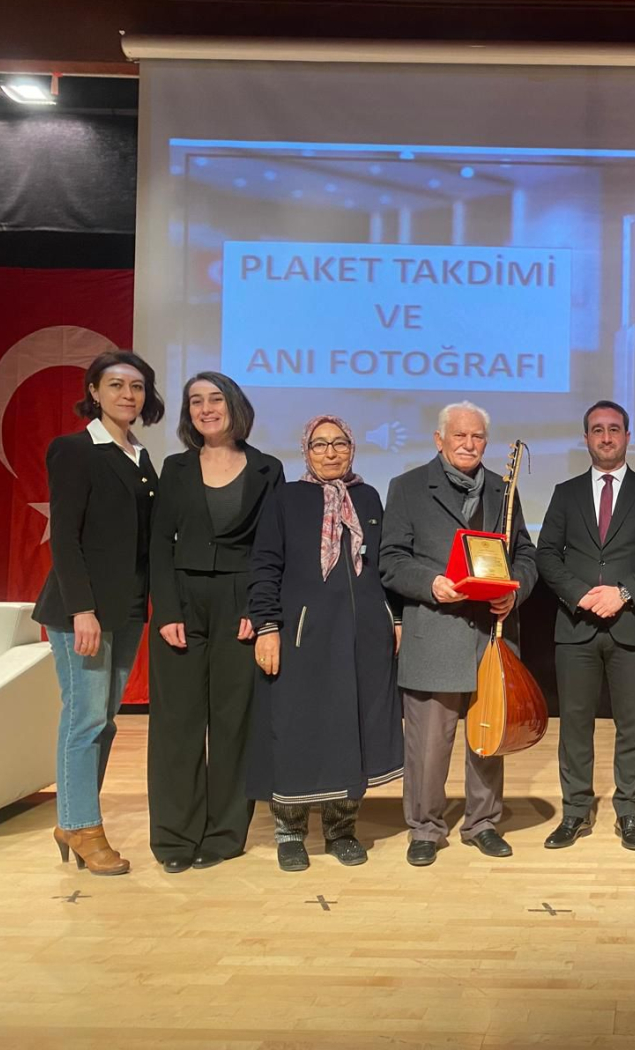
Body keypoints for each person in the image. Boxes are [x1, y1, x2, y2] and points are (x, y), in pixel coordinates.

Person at [380, 401, 538, 867]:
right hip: (435, 632)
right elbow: (391, 559)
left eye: (477, 437)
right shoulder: (408, 487)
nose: (469, 444)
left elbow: (525, 554)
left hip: (490, 635)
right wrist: (430, 583)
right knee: (428, 746)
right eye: (459, 436)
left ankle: (482, 823)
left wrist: (514, 591)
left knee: (489, 737)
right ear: (439, 440)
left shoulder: (503, 490)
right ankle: (425, 828)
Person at [246, 415, 404, 872]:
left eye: (339, 443)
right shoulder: (286, 499)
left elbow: (383, 565)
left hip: (361, 640)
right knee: (297, 730)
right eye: (320, 444)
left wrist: (393, 617)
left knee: (351, 731)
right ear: (306, 450)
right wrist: (267, 626)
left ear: (352, 448)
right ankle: (290, 832)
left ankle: (341, 830)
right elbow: (264, 565)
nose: (330, 452)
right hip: (302, 638)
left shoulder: (368, 497)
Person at [147, 372, 284, 873]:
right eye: (195, 401)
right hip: (182, 602)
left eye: (215, 399)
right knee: (177, 725)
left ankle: (225, 835)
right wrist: (166, 610)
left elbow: (272, 547)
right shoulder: (175, 466)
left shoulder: (268, 468)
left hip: (240, 604)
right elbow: (159, 543)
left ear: (235, 406)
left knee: (233, 725)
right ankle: (174, 838)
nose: (206, 408)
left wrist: (257, 609)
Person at [34, 350, 165, 875]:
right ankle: (82, 826)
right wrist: (82, 610)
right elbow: (64, 536)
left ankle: (75, 818)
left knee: (103, 721)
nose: (127, 395)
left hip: (127, 608)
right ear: (93, 391)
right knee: (85, 719)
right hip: (81, 611)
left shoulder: (141, 456)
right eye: (115, 385)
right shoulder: (74, 450)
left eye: (137, 386)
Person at [536, 400, 635, 851]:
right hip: (575, 625)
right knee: (575, 726)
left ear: (628, 436)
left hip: (632, 624)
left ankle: (629, 813)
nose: (606, 437)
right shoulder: (565, 493)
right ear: (586, 438)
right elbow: (545, 554)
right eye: (597, 429)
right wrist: (580, 594)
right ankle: (575, 812)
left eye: (614, 429)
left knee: (633, 727)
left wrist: (623, 593)